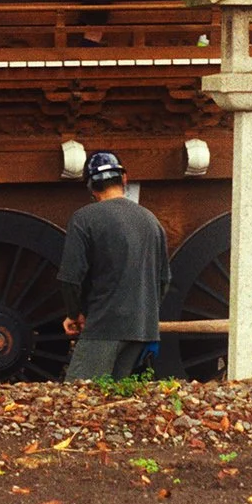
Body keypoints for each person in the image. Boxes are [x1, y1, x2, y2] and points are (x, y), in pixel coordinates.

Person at [58, 152, 168, 380]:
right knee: (116, 394)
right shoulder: (151, 220)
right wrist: (145, 313)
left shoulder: (84, 219)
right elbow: (164, 280)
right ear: (124, 179)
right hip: (142, 329)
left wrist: (74, 313)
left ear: (91, 187)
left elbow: (70, 277)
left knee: (80, 392)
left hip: (104, 326)